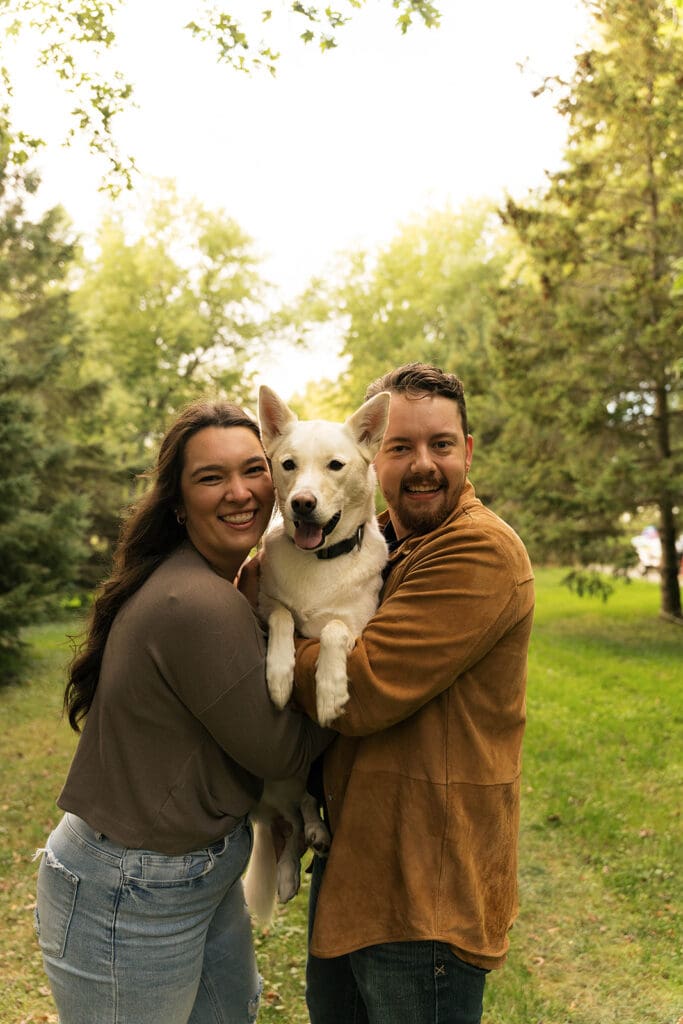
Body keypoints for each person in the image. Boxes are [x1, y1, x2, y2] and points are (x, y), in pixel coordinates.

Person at [34, 399, 331, 1024]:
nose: (241, 492)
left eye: (254, 470)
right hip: (132, 889)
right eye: (211, 477)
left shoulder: (211, 581)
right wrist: (346, 674)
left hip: (190, 871)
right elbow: (281, 750)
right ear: (177, 501)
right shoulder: (197, 601)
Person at [292, 363, 535, 1024]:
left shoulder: (477, 554)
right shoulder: (384, 547)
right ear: (371, 456)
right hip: (354, 871)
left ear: (467, 452)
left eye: (441, 444)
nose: (422, 464)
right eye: (401, 447)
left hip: (425, 897)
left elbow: (361, 692)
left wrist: (272, 632)